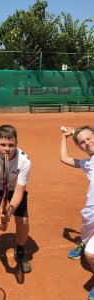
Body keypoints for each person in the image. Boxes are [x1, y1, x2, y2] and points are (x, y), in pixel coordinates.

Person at [0, 125, 32, 273]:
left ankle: (20, 251)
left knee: (22, 220)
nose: (7, 149)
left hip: (14, 188)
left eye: (11, 145)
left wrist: (9, 213)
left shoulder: (25, 161)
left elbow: (19, 192)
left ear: (17, 144)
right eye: (2, 145)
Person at [60, 125, 94, 300]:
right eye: (82, 142)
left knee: (91, 252)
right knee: (87, 240)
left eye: (89, 138)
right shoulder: (88, 163)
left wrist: (78, 133)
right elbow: (64, 158)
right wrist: (66, 137)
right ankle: (82, 243)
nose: (87, 143)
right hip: (91, 211)